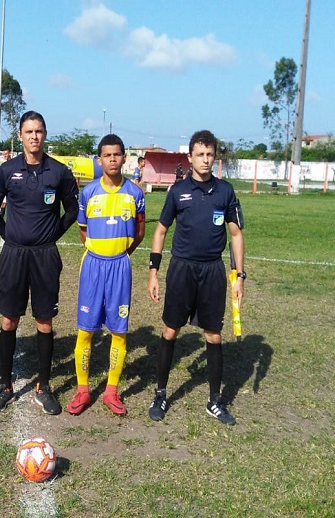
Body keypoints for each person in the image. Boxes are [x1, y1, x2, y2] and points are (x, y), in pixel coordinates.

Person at [147, 130, 245, 426]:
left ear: (215, 158)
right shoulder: (177, 192)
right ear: (189, 158)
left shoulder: (226, 191)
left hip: (213, 271)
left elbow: (236, 235)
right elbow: (161, 231)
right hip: (181, 269)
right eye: (200, 154)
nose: (205, 160)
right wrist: (154, 271)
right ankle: (161, 393)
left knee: (213, 334)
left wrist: (240, 275)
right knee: (169, 331)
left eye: (210, 154)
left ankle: (214, 401)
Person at [0, 110, 80, 415]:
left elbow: (72, 209)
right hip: (14, 254)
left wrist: (54, 233)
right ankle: (4, 385)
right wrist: (5, 231)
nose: (34, 137)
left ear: (45, 134)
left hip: (44, 256)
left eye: (39, 131)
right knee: (8, 319)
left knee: (44, 320)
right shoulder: (7, 170)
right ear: (20, 135)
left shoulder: (59, 172)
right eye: (29, 132)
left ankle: (44, 386)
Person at [66, 134, 145, 417]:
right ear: (99, 160)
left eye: (117, 154)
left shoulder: (135, 193)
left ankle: (111, 390)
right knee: (86, 329)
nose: (112, 159)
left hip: (120, 266)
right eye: (107, 155)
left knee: (119, 332)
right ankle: (83, 389)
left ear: (124, 158)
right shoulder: (88, 193)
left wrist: (120, 255)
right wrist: (101, 252)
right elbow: (83, 231)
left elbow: (139, 233)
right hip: (93, 266)